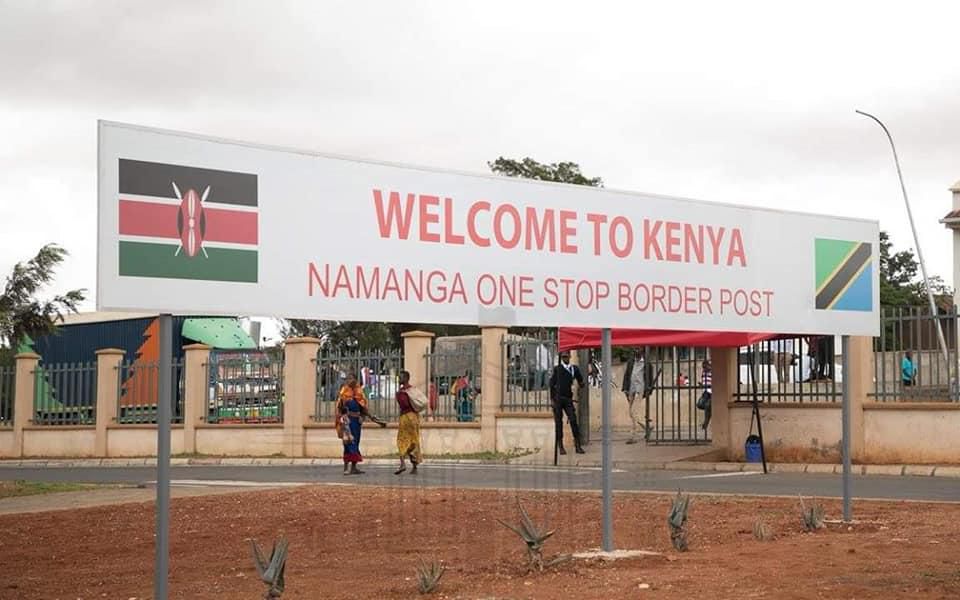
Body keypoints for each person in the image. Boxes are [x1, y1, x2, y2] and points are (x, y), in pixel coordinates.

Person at [335, 372, 385, 476]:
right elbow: (339, 407)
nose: (349, 381)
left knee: (356, 443)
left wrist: (368, 418)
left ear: (355, 379)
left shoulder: (359, 392)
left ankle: (354, 467)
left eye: (351, 378)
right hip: (347, 421)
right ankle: (346, 468)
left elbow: (364, 409)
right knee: (347, 443)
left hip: (356, 422)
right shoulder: (343, 392)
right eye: (347, 379)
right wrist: (341, 419)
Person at [549, 351, 585, 455]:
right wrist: (552, 400)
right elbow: (551, 384)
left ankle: (578, 445)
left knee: (573, 420)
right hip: (558, 399)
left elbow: (580, 380)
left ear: (570, 356)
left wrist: (582, 384)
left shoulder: (574, 369)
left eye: (566, 356)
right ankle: (560, 446)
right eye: (563, 357)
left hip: (568, 398)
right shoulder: (557, 369)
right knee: (559, 423)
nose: (565, 358)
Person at [621, 348, 653, 444]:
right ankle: (647, 427)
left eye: (638, 349)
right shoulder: (631, 362)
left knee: (634, 412)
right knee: (631, 413)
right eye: (635, 349)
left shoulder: (647, 363)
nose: (636, 351)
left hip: (640, 389)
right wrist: (625, 388)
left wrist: (649, 389)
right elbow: (627, 375)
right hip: (631, 389)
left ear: (642, 352)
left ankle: (633, 436)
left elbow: (650, 377)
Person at [394, 370, 422, 475]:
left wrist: (399, 396)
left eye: (401, 377)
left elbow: (404, 404)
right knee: (414, 441)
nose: (399, 379)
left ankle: (402, 464)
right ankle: (414, 467)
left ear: (406, 378)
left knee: (401, 440)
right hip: (414, 417)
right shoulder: (413, 390)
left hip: (405, 417)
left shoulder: (401, 393)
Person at [699, 359, 713, 431]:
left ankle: (705, 424)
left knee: (707, 406)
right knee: (700, 404)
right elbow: (704, 381)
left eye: (705, 367)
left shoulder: (713, 372)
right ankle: (710, 411)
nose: (704, 368)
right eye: (703, 367)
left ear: (708, 365)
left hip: (711, 393)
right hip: (705, 392)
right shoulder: (703, 372)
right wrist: (702, 385)